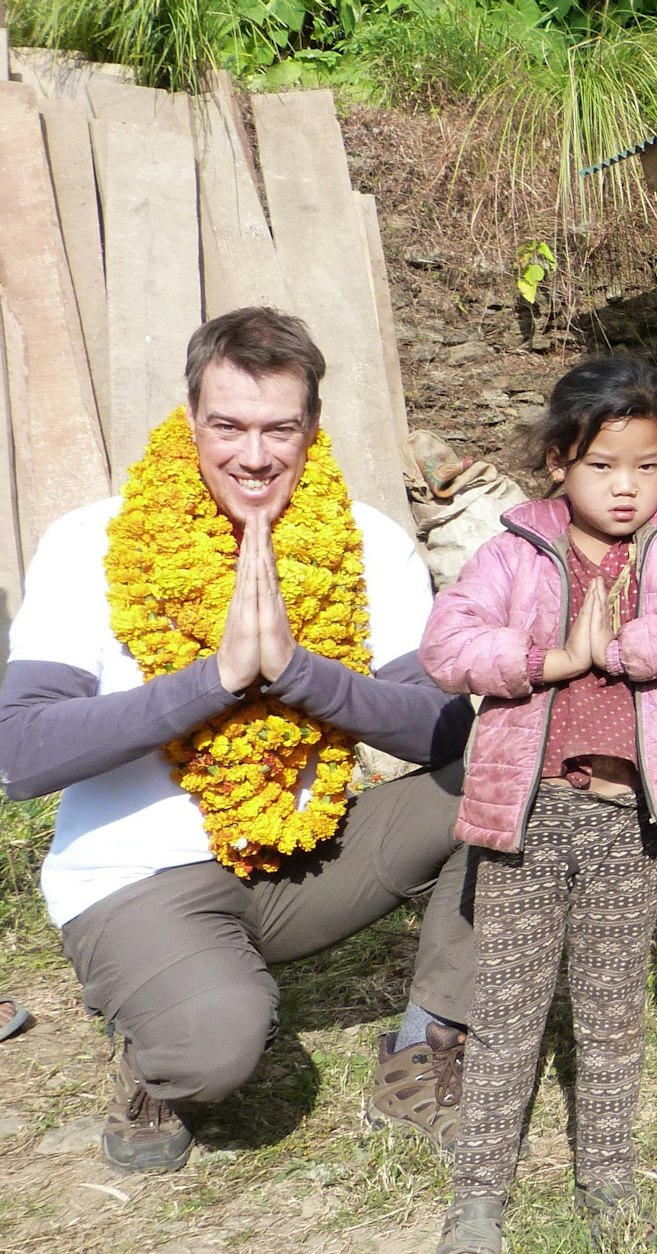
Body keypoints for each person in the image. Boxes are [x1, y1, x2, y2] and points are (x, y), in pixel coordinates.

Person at [0, 307, 473, 1174]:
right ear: (190, 421)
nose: (254, 457)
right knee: (215, 1054)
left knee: (516, 774)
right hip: (136, 879)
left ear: (312, 428)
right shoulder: (88, 543)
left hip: (306, 862)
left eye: (278, 429)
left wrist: (298, 673)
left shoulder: (367, 541)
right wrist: (214, 680)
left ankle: (428, 1043)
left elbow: (445, 729)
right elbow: (22, 755)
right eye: (228, 426)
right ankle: (157, 1042)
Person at [419, 356, 657, 1253]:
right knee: (510, 1009)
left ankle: (605, 1173)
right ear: (560, 460)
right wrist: (551, 658)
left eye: (647, 465)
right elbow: (447, 643)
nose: (628, 486)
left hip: (624, 819)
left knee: (609, 1010)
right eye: (604, 464)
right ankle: (479, 1192)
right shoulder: (515, 547)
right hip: (530, 819)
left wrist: (626, 647)